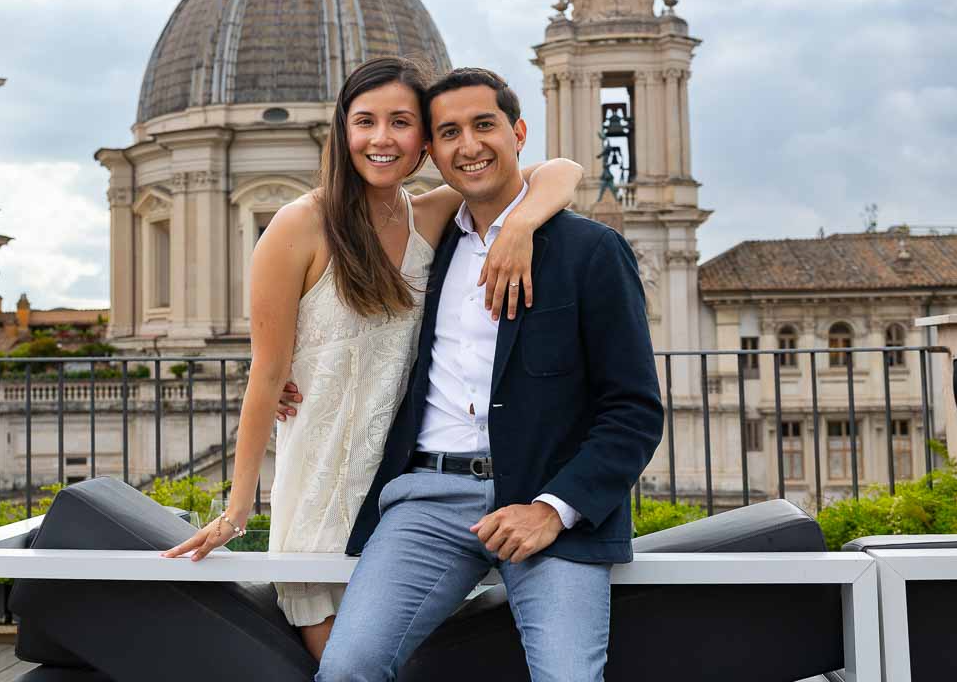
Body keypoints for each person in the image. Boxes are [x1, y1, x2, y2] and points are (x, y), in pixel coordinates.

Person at [163, 57, 583, 661]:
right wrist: (236, 509)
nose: (381, 139)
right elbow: (265, 374)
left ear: (425, 142)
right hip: (323, 485)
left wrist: (521, 226)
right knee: (345, 659)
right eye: (365, 121)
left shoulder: (432, 215)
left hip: (407, 494)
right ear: (343, 130)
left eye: (401, 122)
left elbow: (560, 170)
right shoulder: (297, 225)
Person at [314, 68, 665, 682]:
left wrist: (554, 510)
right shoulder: (424, 251)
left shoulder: (591, 251)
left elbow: (633, 410)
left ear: (519, 132)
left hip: (544, 504)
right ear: (432, 151)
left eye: (484, 125)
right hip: (426, 501)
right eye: (449, 132)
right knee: (347, 670)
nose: (469, 145)